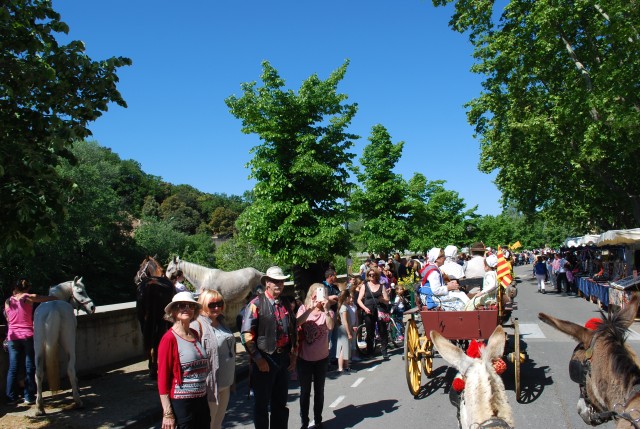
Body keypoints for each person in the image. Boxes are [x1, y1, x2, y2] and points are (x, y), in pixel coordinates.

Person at [241, 266, 297, 429]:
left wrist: (294, 354)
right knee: (262, 406)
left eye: (281, 281)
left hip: (283, 357)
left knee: (280, 403)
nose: (279, 284)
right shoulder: (255, 304)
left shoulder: (286, 303)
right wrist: (258, 359)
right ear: (267, 283)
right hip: (265, 359)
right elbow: (246, 335)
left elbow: (293, 329)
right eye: (275, 281)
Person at [157, 291, 210, 429]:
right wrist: (167, 413)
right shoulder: (169, 339)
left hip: (201, 399)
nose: (187, 309)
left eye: (191, 306)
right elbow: (162, 378)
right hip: (182, 402)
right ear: (173, 311)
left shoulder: (195, 334)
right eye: (182, 305)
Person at [4, 279, 58, 405]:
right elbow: (45, 299)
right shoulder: (29, 297)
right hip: (27, 335)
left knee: (13, 368)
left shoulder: (8, 301)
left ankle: (11, 397)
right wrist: (57, 297)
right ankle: (29, 396)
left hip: (12, 337)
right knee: (30, 366)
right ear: (27, 289)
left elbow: (8, 318)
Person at [192, 290, 235, 429]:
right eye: (212, 305)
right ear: (203, 305)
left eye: (219, 303)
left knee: (217, 424)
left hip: (225, 384)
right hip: (210, 387)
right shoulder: (197, 326)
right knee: (208, 425)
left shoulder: (221, 321)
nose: (217, 307)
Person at [296, 283, 333, 429]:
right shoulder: (303, 309)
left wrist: (327, 309)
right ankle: (304, 422)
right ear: (311, 294)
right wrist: (310, 308)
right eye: (316, 293)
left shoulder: (327, 311)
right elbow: (297, 323)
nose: (319, 297)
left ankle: (318, 420)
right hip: (304, 359)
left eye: (322, 293)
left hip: (322, 359)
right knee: (305, 392)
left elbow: (330, 326)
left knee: (319, 391)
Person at [356, 268, 390, 360]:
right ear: (368, 275)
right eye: (370, 275)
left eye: (373, 275)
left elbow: (387, 300)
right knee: (370, 331)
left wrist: (382, 299)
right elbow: (359, 300)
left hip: (379, 310)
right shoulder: (365, 286)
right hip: (368, 310)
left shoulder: (381, 286)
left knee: (383, 331)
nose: (372, 276)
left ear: (377, 275)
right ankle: (370, 351)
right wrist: (365, 308)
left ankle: (384, 351)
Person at [322, 269, 340, 365]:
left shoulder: (335, 287)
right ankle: (326, 359)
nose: (336, 277)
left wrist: (332, 299)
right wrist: (330, 298)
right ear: (330, 276)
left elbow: (339, 298)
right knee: (327, 337)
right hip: (327, 313)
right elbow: (322, 299)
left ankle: (333, 357)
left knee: (335, 336)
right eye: (334, 276)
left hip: (335, 312)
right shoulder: (322, 286)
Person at [335, 290, 354, 373]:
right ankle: (340, 368)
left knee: (345, 348)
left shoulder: (344, 306)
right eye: (349, 297)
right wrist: (349, 333)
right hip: (344, 330)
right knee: (342, 348)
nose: (350, 298)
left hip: (344, 329)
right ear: (346, 297)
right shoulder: (344, 307)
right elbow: (345, 321)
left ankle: (346, 366)